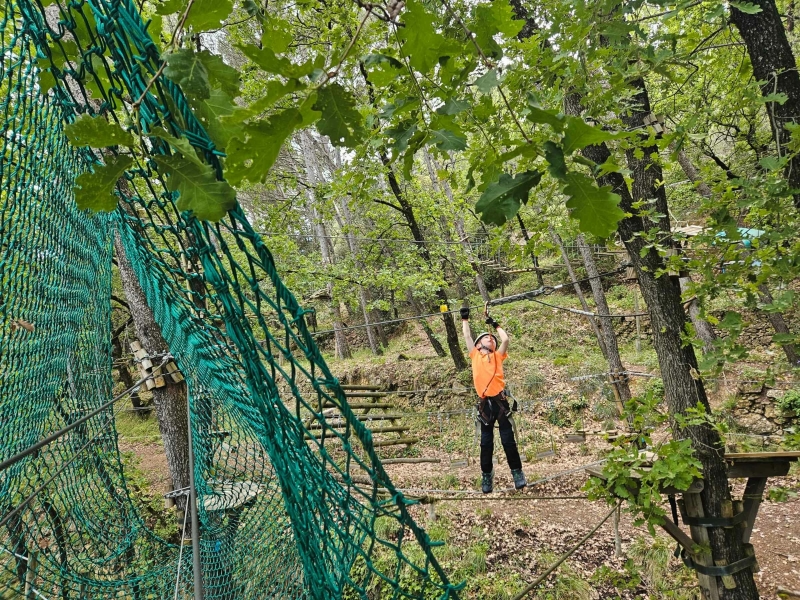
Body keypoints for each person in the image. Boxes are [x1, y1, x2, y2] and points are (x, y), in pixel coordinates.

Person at [460, 306, 526, 493]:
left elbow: (505, 338)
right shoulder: (474, 355)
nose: (490, 339)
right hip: (485, 406)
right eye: (486, 337)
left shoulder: (498, 356)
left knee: (508, 441)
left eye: (491, 339)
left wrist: (494, 324)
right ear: (479, 344)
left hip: (500, 403)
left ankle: (517, 472)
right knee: (486, 444)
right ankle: (487, 476)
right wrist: (465, 319)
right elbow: (466, 337)